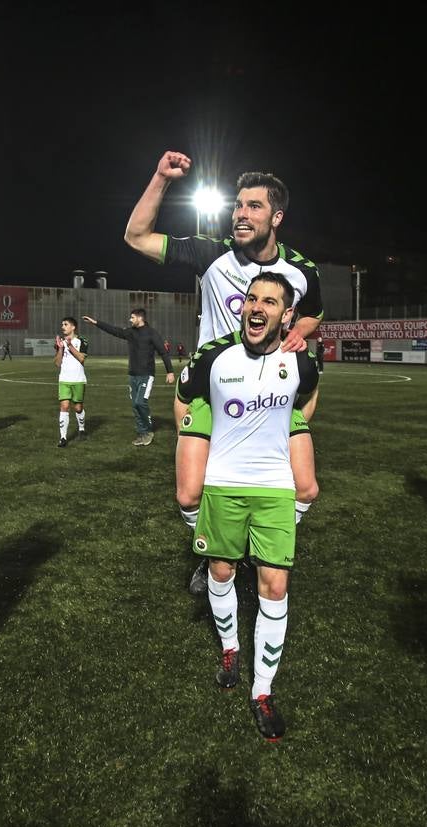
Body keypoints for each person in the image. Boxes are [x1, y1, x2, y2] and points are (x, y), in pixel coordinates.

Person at [124, 151, 324, 594]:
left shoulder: (302, 270)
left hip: (272, 394)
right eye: (237, 205)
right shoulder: (209, 253)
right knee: (194, 491)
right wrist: (161, 178)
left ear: (277, 216)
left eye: (253, 206)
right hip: (210, 393)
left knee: (287, 485)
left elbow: (311, 315)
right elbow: (136, 236)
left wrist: (300, 334)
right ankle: (214, 550)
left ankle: (257, 551)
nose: (241, 213)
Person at [176, 272, 319, 741]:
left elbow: (307, 397)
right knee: (221, 573)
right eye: (252, 299)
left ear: (287, 314)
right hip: (222, 484)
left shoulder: (302, 361)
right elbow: (183, 399)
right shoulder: (214, 355)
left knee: (273, 588)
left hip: (276, 489)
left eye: (270, 302)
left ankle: (262, 691)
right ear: (243, 306)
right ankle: (230, 649)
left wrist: (292, 427)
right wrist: (194, 437)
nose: (258, 307)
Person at [82, 308, 174, 445]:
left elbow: (163, 352)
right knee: (135, 406)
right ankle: (141, 433)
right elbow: (114, 330)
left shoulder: (151, 333)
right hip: (132, 375)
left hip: (146, 374)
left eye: (132, 317)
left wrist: (170, 371)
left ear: (140, 318)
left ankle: (148, 431)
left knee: (140, 402)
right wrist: (96, 322)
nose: (130, 320)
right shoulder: (130, 333)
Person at [54, 316, 89, 447]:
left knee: (78, 407)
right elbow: (57, 364)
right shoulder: (60, 343)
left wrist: (70, 346)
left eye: (66, 324)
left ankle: (81, 429)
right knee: (64, 406)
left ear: (73, 327)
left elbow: (81, 359)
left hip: (78, 379)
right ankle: (63, 437)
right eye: (62, 324)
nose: (63, 326)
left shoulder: (83, 341)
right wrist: (61, 348)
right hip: (64, 380)